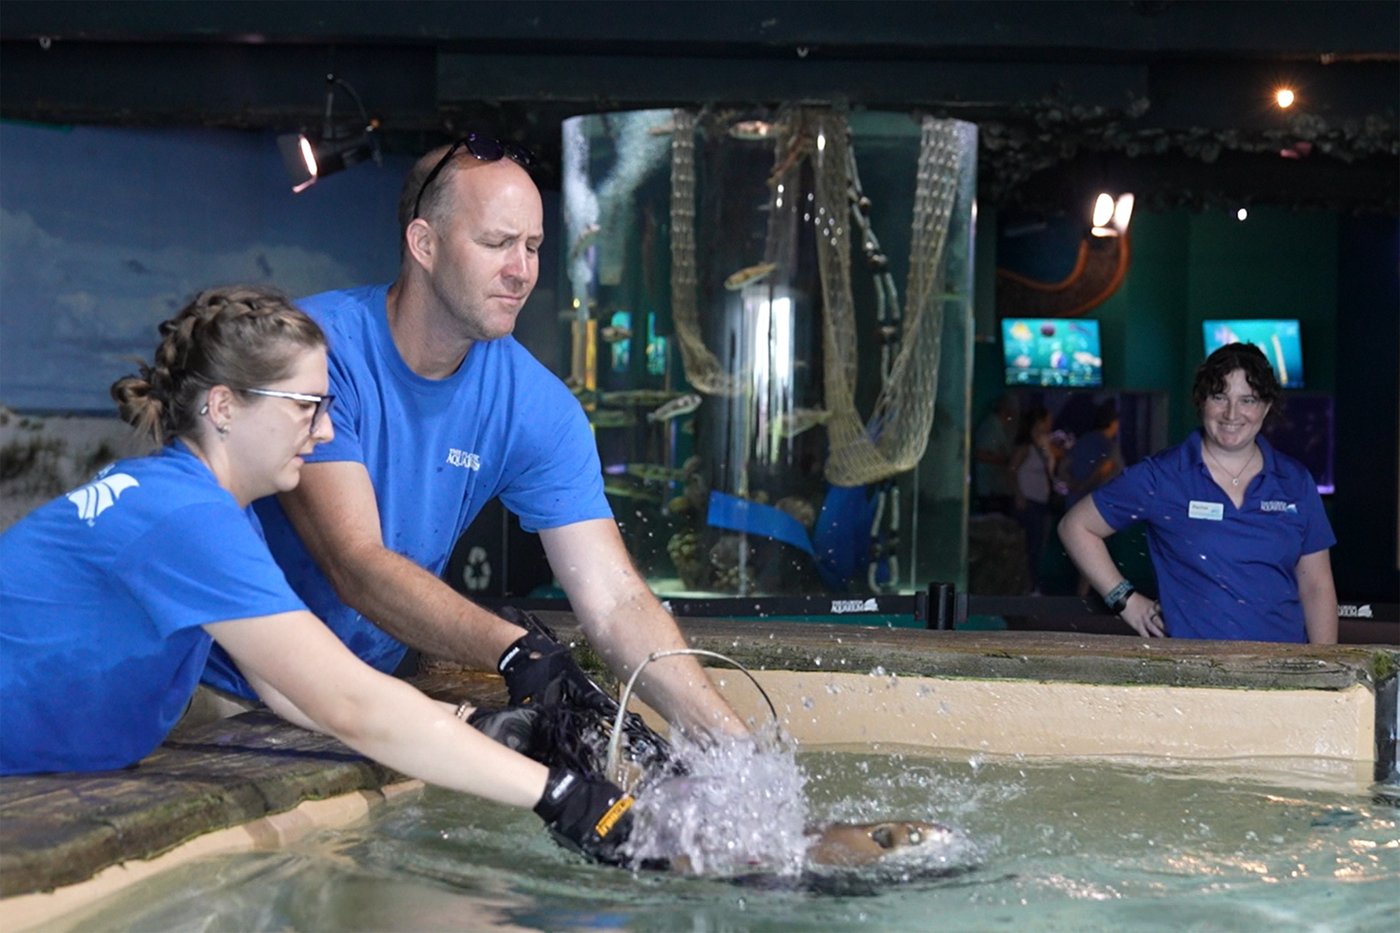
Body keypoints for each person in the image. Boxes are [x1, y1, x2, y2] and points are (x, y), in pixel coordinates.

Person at [0, 287, 637, 865]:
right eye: (306, 406)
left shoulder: (210, 510)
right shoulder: (187, 517)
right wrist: (563, 796)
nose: (326, 430)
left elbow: (289, 689)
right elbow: (348, 703)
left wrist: (469, 732)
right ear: (224, 406)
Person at [199, 136, 744, 740]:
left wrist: (732, 747)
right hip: (220, 685)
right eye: (496, 243)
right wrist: (518, 652)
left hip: (360, 694)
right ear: (424, 244)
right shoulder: (314, 355)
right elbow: (355, 565)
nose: (522, 271)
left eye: (533, 246)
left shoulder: (538, 407)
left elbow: (616, 604)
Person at [1057, 343, 1337, 643]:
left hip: (1282, 673)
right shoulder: (1163, 476)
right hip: (1194, 674)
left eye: (1248, 400)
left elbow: (1317, 586)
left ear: (1266, 407)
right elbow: (1076, 526)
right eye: (1220, 397)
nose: (1232, 413)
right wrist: (1127, 602)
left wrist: (1327, 674)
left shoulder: (1294, 481)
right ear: (1201, 401)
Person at [1062, 399, 1124, 596]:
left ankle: (1081, 595)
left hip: (1074, 504)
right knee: (1094, 550)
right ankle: (1084, 596)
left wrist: (1070, 484)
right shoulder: (1108, 446)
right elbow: (1102, 471)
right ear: (1112, 422)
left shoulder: (1084, 440)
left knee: (1079, 547)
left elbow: (1064, 464)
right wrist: (1084, 486)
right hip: (1099, 507)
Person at [1008, 405, 1062, 594]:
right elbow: (1012, 470)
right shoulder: (1026, 446)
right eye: (1047, 420)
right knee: (1032, 545)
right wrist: (1019, 495)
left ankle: (1032, 585)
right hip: (1029, 501)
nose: (1050, 423)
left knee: (1038, 545)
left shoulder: (1043, 444)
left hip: (1041, 500)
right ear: (1039, 422)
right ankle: (1028, 587)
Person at [972, 394, 1019, 515]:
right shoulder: (991, 427)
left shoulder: (999, 427)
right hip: (991, 490)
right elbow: (980, 454)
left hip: (997, 489)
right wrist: (1007, 461)